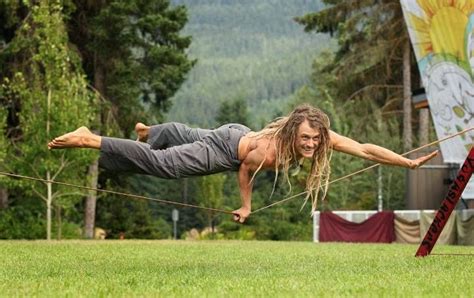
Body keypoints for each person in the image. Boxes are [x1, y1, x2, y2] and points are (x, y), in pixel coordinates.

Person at [48, 104, 438, 223]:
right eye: (305, 139)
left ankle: (151, 130)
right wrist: (247, 205)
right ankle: (91, 137)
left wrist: (407, 163)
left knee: (185, 133)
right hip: (228, 149)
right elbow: (245, 170)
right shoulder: (272, 150)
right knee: (163, 165)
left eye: (315, 139)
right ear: (291, 134)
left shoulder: (322, 138)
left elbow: (368, 149)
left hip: (237, 132)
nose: (311, 144)